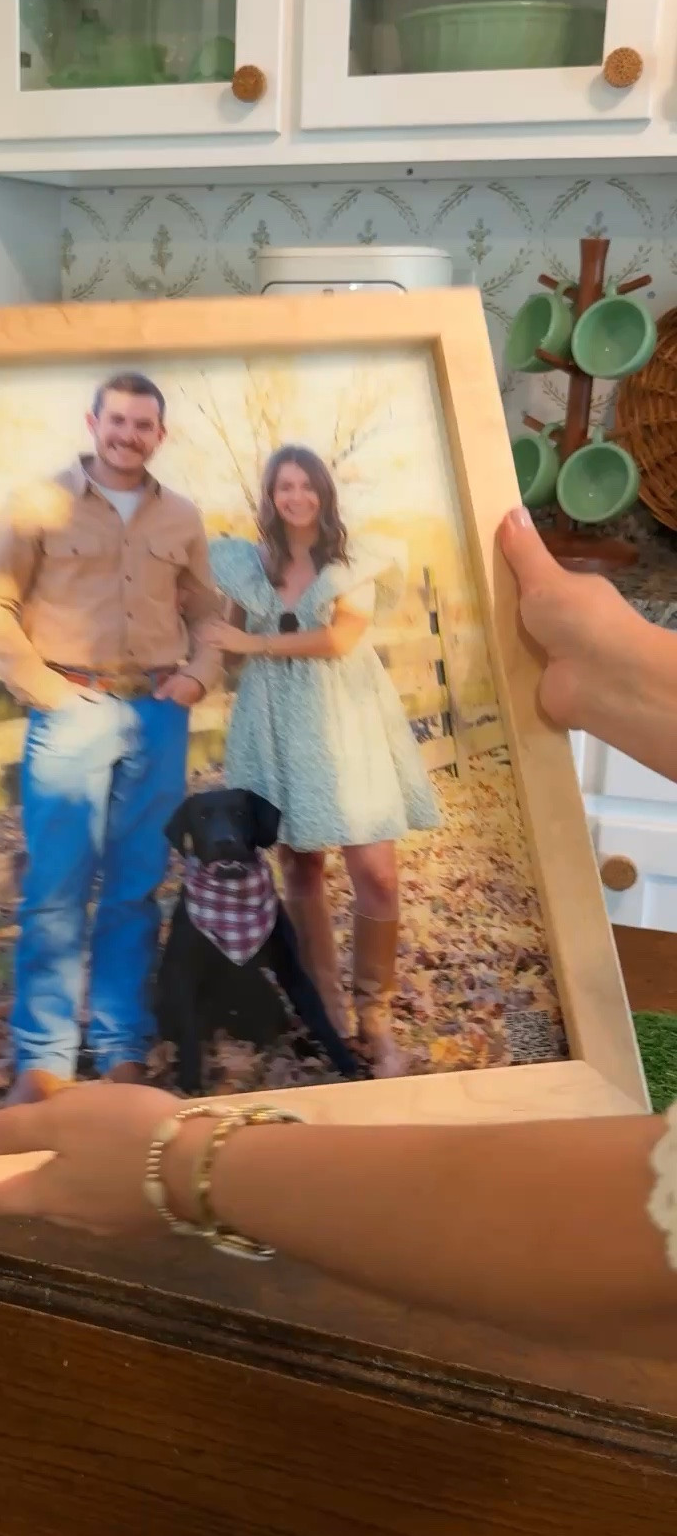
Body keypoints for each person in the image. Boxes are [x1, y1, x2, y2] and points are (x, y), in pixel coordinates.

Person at [0, 508, 677, 1356]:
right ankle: (314, 1018)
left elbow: (630, 1231)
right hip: (247, 723)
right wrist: (631, 670)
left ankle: (355, 1018)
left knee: (349, 883)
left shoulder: (337, 564)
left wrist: (178, 1165)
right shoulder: (225, 556)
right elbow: (199, 588)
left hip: (328, 723)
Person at [0, 372, 222, 1103]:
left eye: (143, 425)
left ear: (160, 435)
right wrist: (47, 691)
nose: (128, 435)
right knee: (56, 888)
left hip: (158, 715)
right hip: (71, 710)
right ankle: (43, 1058)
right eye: (117, 421)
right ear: (93, 422)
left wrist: (198, 677)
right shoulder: (40, 502)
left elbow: (208, 612)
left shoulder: (183, 516)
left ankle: (120, 1047)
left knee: (136, 887)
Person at [205, 446, 439, 1078]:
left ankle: (375, 1021)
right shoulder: (248, 564)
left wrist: (254, 641)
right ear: (270, 497)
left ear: (324, 493)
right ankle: (329, 1015)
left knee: (377, 872)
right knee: (300, 865)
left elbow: (340, 638)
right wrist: (209, 641)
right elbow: (230, 648)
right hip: (274, 721)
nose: (297, 496)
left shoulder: (349, 558)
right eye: (284, 486)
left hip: (345, 718)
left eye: (307, 485)